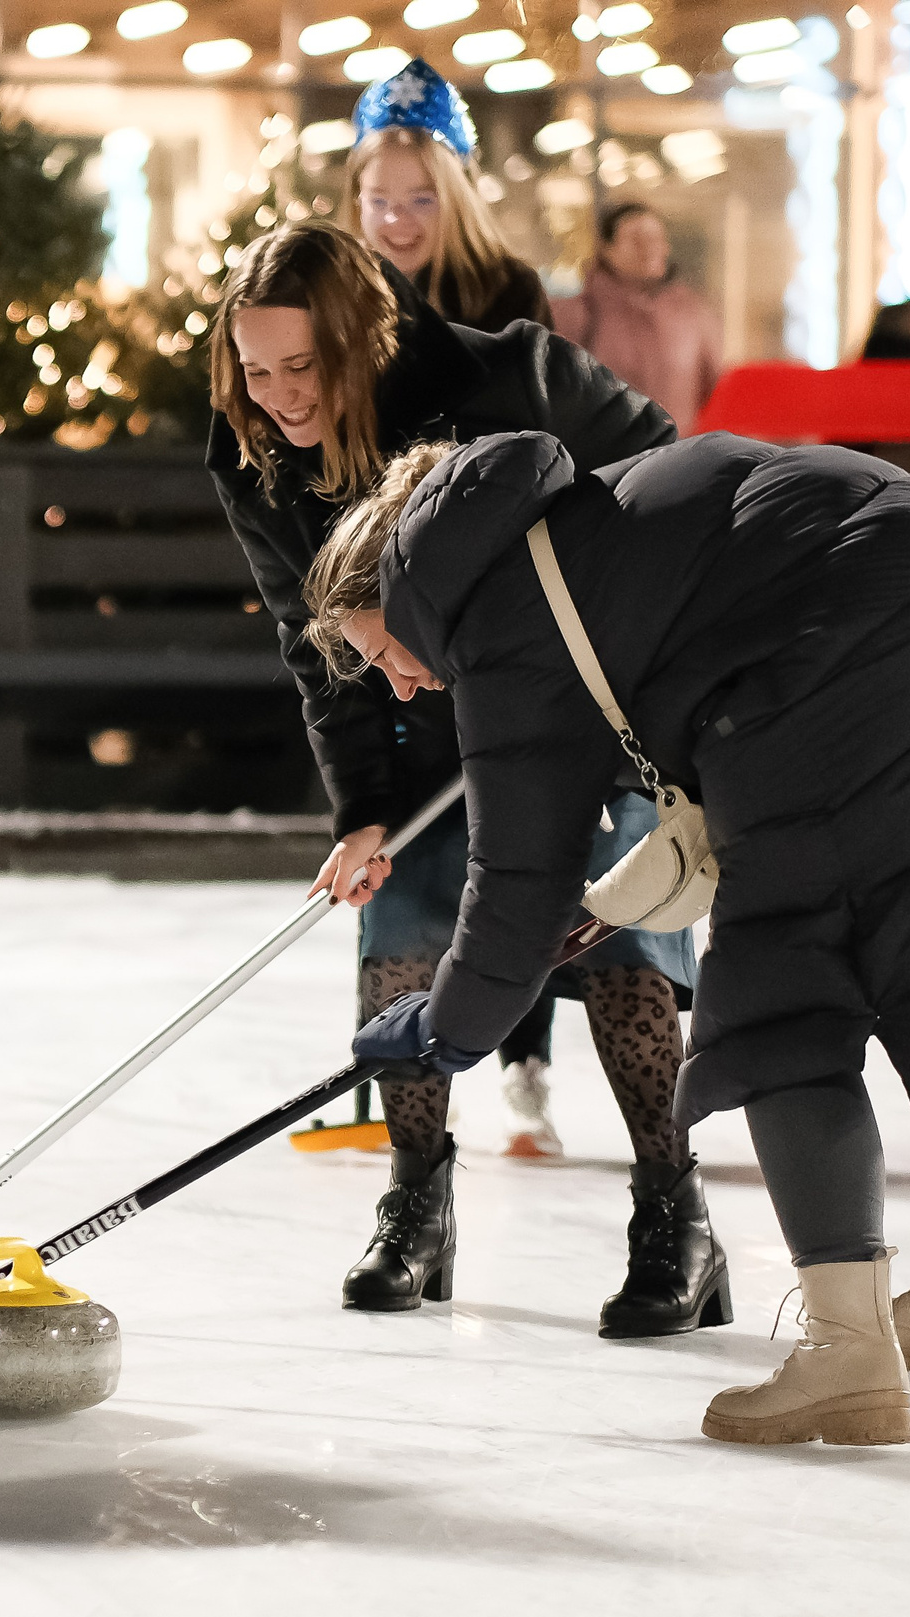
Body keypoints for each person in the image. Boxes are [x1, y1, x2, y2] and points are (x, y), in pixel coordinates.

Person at [305, 429, 910, 1445]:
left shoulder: (496, 615)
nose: (401, 687)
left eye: (383, 654)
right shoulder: (572, 519)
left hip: (866, 661)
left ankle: (846, 1353)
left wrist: (446, 1030)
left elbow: (516, 884)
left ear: (410, 592)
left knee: (782, 997)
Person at [205, 220, 721, 1339]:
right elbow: (320, 645)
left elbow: (665, 480)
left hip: (597, 702)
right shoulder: (253, 454)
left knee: (617, 940)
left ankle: (674, 1212)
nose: (280, 396)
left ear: (360, 344)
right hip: (425, 725)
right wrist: (363, 810)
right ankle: (415, 1206)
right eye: (254, 370)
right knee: (405, 926)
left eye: (303, 367)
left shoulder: (510, 377)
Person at [346, 58, 553, 335]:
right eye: (378, 201)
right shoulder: (334, 292)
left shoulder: (509, 293)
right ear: (357, 201)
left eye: (421, 200)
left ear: (457, 203)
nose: (396, 219)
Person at [557, 203, 722, 433]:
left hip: (676, 450)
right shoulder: (580, 313)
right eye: (636, 240)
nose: (650, 249)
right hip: (604, 456)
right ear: (607, 249)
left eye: (657, 239)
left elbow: (710, 382)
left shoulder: (692, 313)